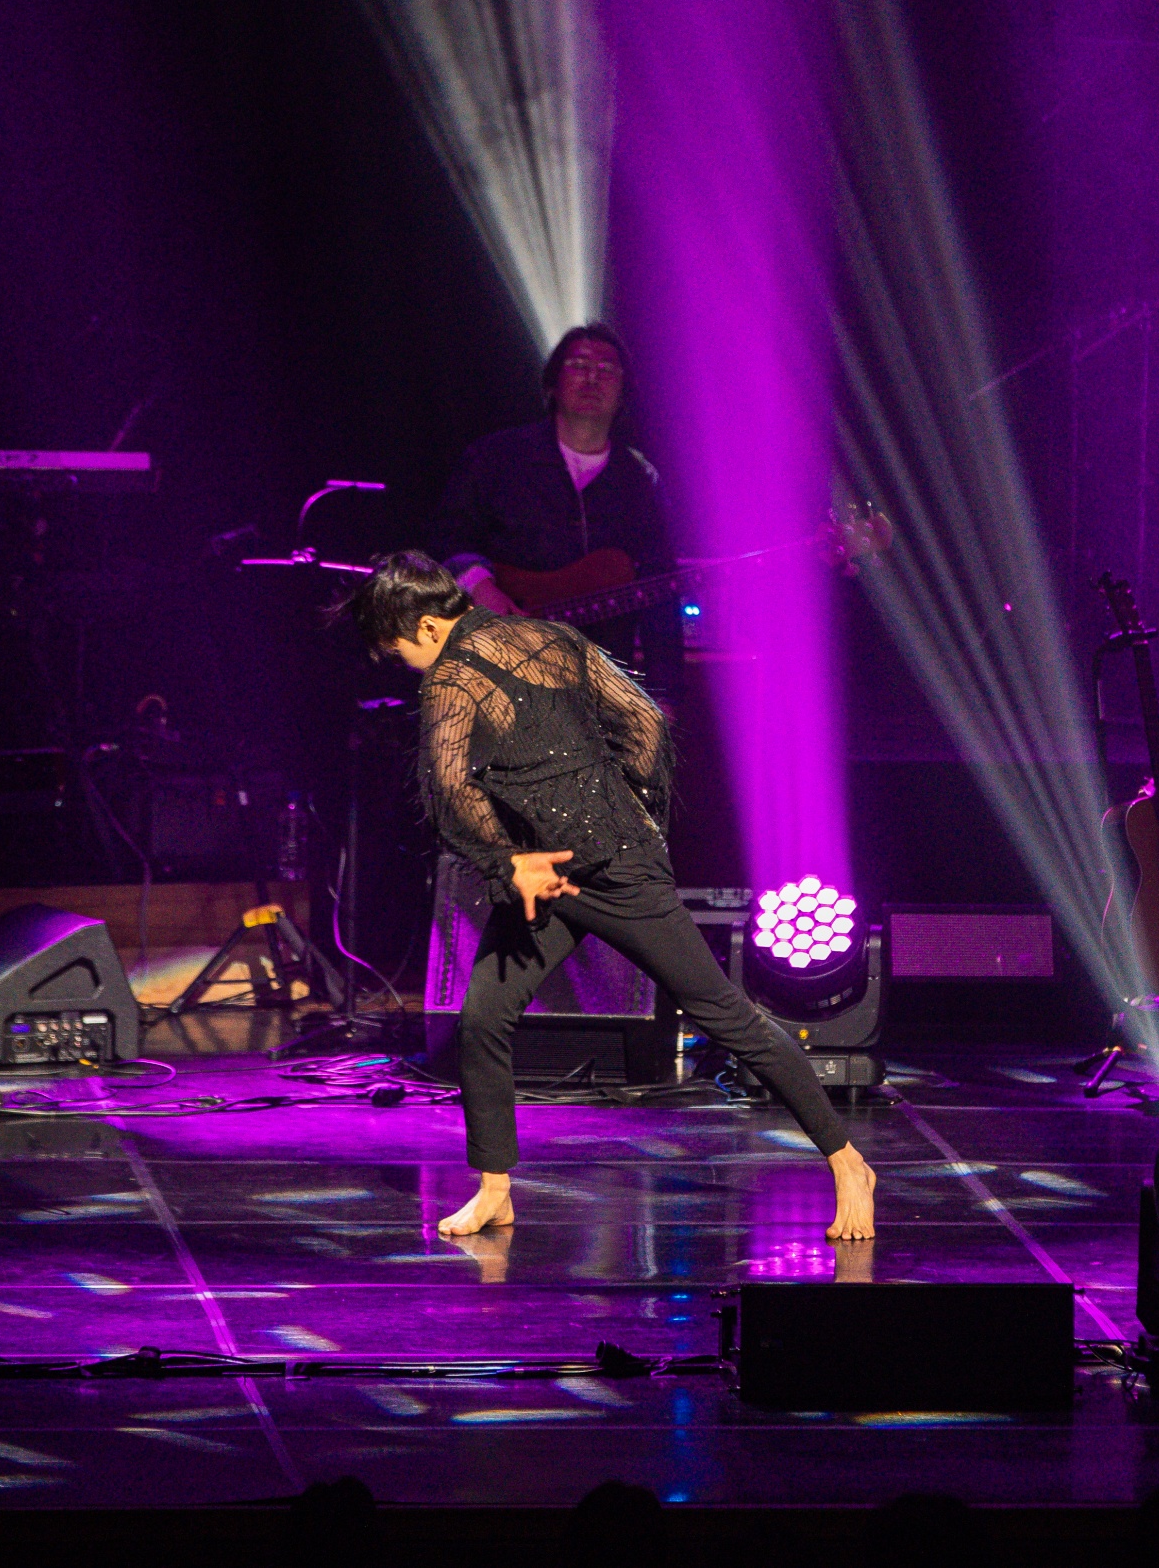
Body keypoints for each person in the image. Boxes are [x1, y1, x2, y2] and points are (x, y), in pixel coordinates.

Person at [339, 552, 876, 1240]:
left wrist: (507, 861)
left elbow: (451, 788)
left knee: (725, 1016)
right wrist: (627, 812)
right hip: (595, 864)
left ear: (425, 626)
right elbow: (646, 723)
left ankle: (849, 1164)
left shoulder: (453, 675)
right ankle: (495, 1190)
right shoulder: (554, 637)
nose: (405, 665)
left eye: (398, 651)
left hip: (561, 873)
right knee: (486, 1018)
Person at [429, 323, 682, 702]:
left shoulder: (640, 480)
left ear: (623, 393)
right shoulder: (496, 458)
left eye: (607, 369)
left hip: (597, 686)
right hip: (494, 679)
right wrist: (482, 587)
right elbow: (446, 536)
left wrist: (664, 698)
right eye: (579, 365)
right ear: (552, 384)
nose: (592, 378)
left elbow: (660, 593)